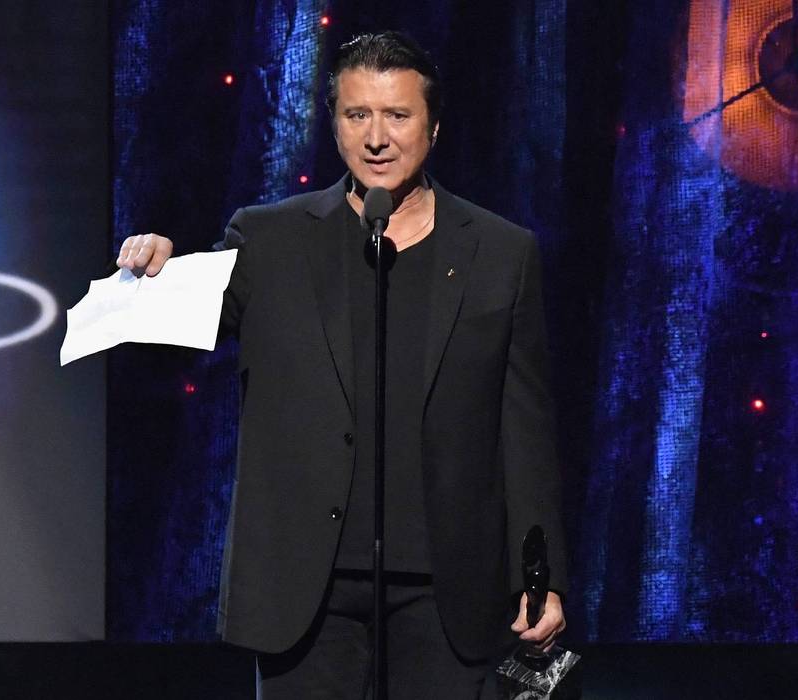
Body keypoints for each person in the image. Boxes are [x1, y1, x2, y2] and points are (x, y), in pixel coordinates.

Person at [116, 31, 568, 699]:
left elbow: (522, 426)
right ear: (333, 125)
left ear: (433, 126)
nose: (376, 137)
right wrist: (149, 273)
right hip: (307, 592)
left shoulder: (500, 253)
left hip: (447, 592)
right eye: (357, 116)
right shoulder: (269, 238)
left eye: (397, 115)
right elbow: (176, 337)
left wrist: (542, 577)